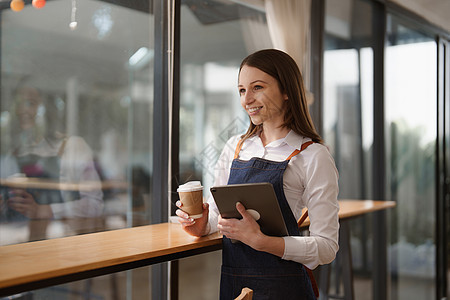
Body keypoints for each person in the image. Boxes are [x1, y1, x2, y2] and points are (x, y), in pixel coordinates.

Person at [176, 49, 339, 299]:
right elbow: (218, 220)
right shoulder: (235, 147)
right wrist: (199, 225)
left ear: (286, 91)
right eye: (242, 90)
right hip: (234, 285)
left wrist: (262, 242)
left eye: (257, 87)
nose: (246, 99)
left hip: (284, 288)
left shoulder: (313, 155)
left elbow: (326, 248)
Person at [0, 82, 103, 244]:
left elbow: (94, 205)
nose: (22, 110)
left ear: (47, 109)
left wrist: (46, 210)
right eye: (18, 104)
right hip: (19, 246)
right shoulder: (11, 155)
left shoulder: (73, 147)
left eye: (30, 103)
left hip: (64, 245)